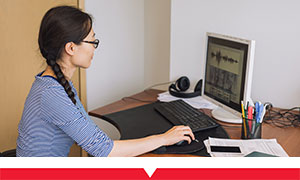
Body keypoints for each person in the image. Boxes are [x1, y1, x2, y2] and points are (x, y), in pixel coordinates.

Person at [16, 6, 194, 157]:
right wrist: (163, 138)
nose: (94, 46)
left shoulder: (56, 83)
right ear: (70, 48)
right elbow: (103, 150)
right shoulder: (51, 93)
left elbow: (93, 137)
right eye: (91, 41)